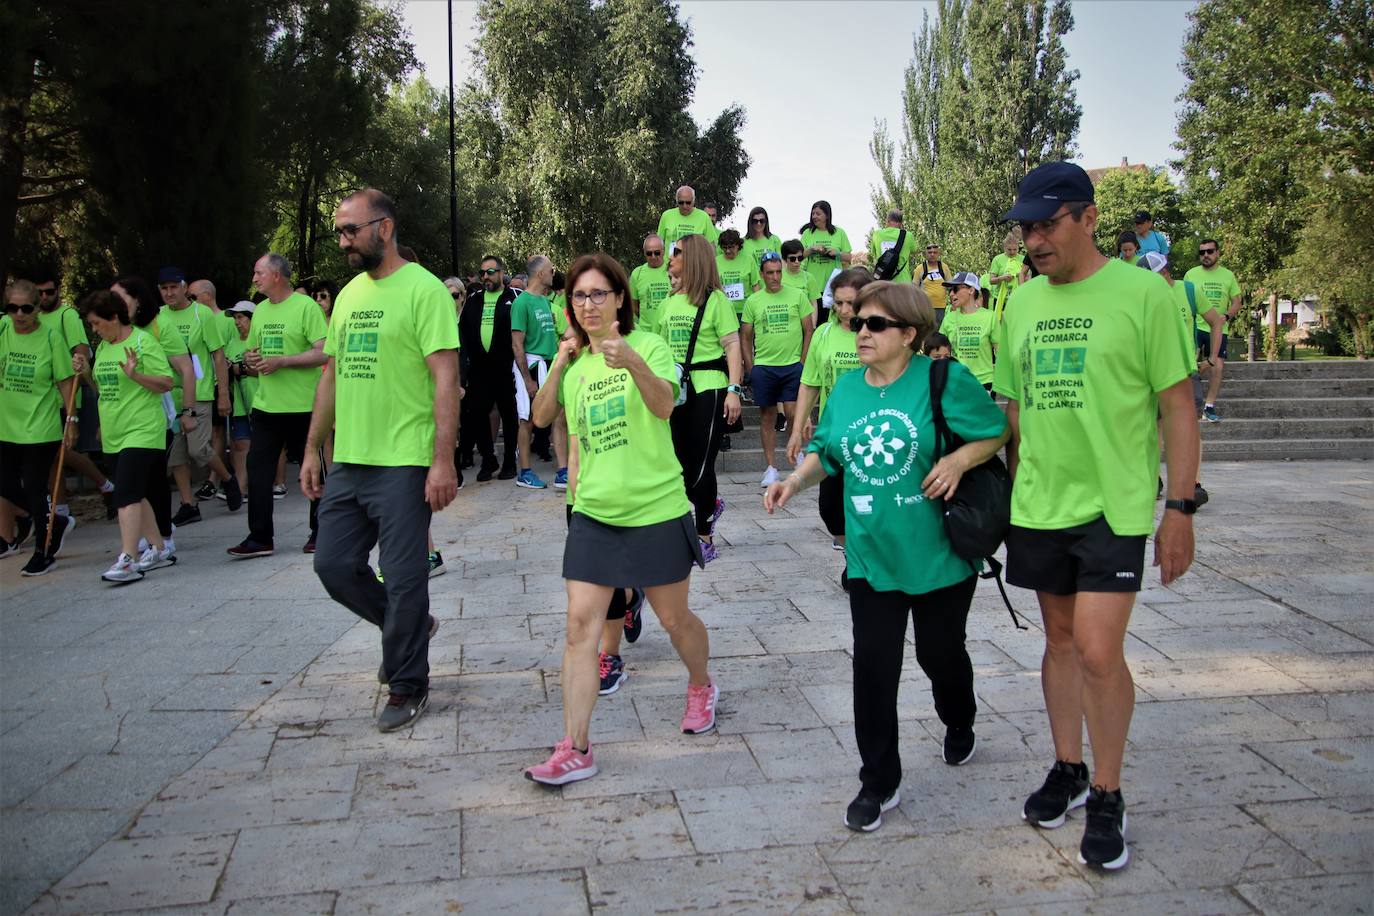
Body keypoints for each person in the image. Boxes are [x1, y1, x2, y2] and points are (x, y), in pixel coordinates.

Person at [994, 162, 1198, 871]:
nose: (1033, 241)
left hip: (1114, 503)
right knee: (1056, 641)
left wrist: (1179, 506)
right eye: (1025, 228)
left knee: (1098, 649)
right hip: (1040, 502)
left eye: (1046, 225)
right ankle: (1068, 768)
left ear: (1087, 217)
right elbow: (1015, 406)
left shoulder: (1144, 295)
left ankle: (1108, 792)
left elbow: (1178, 404)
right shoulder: (1018, 305)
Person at [765, 280, 1009, 831]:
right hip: (870, 557)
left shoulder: (943, 380)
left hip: (940, 556)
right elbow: (828, 452)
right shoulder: (848, 390)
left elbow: (995, 432)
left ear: (909, 332)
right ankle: (879, 780)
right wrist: (793, 484)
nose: (861, 332)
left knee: (939, 656)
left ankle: (959, 715)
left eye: (875, 324)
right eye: (856, 322)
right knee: (874, 668)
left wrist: (957, 462)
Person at [523, 252, 716, 785]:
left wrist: (631, 360)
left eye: (598, 294)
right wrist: (561, 362)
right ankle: (575, 746)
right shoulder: (575, 366)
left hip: (655, 507)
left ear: (620, 299)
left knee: (676, 621)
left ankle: (700, 683)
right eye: (579, 296)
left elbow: (665, 404)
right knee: (578, 627)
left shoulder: (649, 344)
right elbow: (542, 418)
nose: (588, 304)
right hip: (595, 514)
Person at [305, 188, 460, 732]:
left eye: (351, 229)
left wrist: (443, 460)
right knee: (333, 565)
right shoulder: (347, 295)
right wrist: (312, 451)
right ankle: (409, 627)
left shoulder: (424, 291)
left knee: (402, 576)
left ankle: (407, 683)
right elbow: (331, 375)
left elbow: (446, 377)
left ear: (385, 228)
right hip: (350, 458)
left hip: (404, 459)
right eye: (340, 231)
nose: (344, 240)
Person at [226, 253, 328, 558]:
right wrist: (251, 360)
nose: (254, 278)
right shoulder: (261, 312)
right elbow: (255, 358)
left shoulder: (306, 307)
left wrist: (283, 361)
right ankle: (260, 537)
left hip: (304, 405)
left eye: (259, 272)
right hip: (267, 407)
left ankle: (322, 531)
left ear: (277, 276)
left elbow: (323, 352)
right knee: (258, 470)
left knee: (313, 472)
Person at [80, 290, 178, 583]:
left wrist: (136, 376)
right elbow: (104, 389)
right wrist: (86, 372)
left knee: (125, 493)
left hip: (143, 430)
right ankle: (159, 549)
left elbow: (166, 383)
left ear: (114, 317)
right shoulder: (105, 348)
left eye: (97, 323)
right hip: (114, 432)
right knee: (135, 492)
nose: (94, 330)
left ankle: (128, 558)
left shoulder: (142, 342)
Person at [657, 235, 743, 561]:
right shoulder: (666, 303)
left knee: (702, 465)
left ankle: (704, 533)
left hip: (709, 387)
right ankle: (709, 503)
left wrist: (734, 390)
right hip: (675, 390)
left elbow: (733, 345)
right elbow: (659, 349)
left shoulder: (715, 300)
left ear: (692, 258)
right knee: (678, 464)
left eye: (676, 252)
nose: (670, 257)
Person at [788, 266, 868, 555]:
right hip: (834, 435)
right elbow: (809, 384)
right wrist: (797, 429)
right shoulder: (823, 333)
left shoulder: (879, 332)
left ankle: (860, 564)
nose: (845, 310)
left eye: (851, 303)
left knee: (867, 506)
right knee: (830, 509)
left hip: (872, 436)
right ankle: (852, 553)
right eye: (839, 302)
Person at [0, 280, 78, 575]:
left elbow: (65, 380)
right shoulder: (3, 329)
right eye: (12, 308)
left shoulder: (50, 338)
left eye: (26, 308)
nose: (18, 314)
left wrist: (71, 418)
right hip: (5, 424)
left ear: (36, 309)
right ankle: (52, 521)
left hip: (39, 425)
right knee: (5, 485)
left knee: (34, 486)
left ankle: (43, 550)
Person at [29, 269, 116, 518]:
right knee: (52, 457)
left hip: (62, 397)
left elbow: (80, 353)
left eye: (49, 291)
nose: (44, 296)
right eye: (39, 292)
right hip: (40, 398)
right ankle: (63, 509)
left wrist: (72, 401)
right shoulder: (33, 318)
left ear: (58, 290)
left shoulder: (66, 316)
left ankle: (105, 486)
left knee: (57, 451)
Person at [157, 267, 237, 525]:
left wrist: (222, 393)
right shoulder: (158, 317)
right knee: (176, 455)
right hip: (171, 394)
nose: (169, 293)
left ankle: (226, 478)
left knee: (198, 448)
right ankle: (188, 504)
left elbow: (218, 355)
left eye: (173, 287)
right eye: (164, 288)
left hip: (200, 392)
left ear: (183, 287)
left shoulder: (201, 314)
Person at [1140, 252, 1217, 507]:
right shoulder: (1144, 297)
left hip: (1184, 369)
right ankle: (1154, 479)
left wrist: (1213, 359)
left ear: (1164, 272)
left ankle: (1193, 484)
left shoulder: (1189, 291)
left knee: (1189, 427)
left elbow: (1216, 321)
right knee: (1155, 429)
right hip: (1152, 370)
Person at [742, 251, 813, 487]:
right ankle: (771, 467)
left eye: (778, 272)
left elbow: (809, 330)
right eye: (770, 273)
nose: (775, 277)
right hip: (765, 367)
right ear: (761, 275)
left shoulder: (797, 296)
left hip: (792, 365)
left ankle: (796, 454)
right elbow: (745, 336)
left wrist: (803, 362)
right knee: (767, 416)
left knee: (793, 413)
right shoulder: (754, 301)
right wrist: (751, 367)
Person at [459, 255, 519, 481]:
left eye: (490, 272)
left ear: (501, 273)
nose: (486, 276)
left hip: (505, 367)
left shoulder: (514, 297)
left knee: (509, 414)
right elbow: (462, 332)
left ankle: (510, 463)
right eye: (482, 272)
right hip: (479, 369)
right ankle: (488, 458)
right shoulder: (474, 300)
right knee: (476, 414)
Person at [510, 254, 560, 489]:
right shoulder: (522, 303)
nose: (553, 273)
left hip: (549, 365)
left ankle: (563, 470)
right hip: (532, 365)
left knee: (558, 416)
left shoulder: (546, 302)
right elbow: (517, 344)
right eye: (551, 269)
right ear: (540, 274)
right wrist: (527, 379)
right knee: (527, 420)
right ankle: (525, 472)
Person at [1184, 239, 1242, 423]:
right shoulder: (1191, 274)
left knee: (1217, 366)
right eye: (1202, 253)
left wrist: (1226, 316)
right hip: (1195, 326)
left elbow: (1237, 302)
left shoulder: (1228, 275)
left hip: (1218, 328)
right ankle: (1186, 403)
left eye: (1210, 251)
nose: (1206, 255)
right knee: (1190, 366)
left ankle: (1209, 407)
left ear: (1217, 253)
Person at [938, 273, 996, 392]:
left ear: (971, 290)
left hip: (983, 384)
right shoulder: (949, 318)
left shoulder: (989, 317)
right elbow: (939, 350)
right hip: (955, 383)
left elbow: (1001, 352)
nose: (951, 294)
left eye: (955, 289)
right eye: (950, 290)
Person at [223, 301, 257, 499]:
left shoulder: (258, 340)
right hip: (239, 405)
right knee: (240, 445)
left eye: (241, 317)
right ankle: (240, 489)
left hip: (259, 401)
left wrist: (240, 368)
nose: (237, 322)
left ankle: (274, 483)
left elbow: (263, 370)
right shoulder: (233, 343)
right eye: (235, 318)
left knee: (259, 446)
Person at [799, 200, 852, 325]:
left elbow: (848, 257)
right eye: (813, 214)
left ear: (827, 215)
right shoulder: (807, 233)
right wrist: (812, 249)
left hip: (832, 286)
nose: (814, 217)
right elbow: (799, 256)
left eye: (818, 214)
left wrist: (836, 253)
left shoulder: (839, 233)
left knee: (831, 323)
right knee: (813, 324)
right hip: (813, 286)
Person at [656, 186, 718, 256]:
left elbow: (711, 246)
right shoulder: (666, 216)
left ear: (693, 201)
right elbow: (658, 244)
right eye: (681, 202)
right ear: (676, 201)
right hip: (671, 265)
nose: (684, 206)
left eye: (688, 202)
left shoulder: (703, 217)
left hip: (695, 265)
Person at [629, 235, 672, 334]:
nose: (653, 256)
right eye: (649, 253)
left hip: (667, 330)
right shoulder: (637, 274)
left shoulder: (673, 270)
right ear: (644, 253)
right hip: (646, 332)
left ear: (663, 251)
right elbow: (635, 306)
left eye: (657, 253)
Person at [715, 229, 759, 321]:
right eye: (724, 247)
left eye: (731, 247)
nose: (727, 251)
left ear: (738, 246)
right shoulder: (716, 261)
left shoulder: (748, 260)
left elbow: (755, 285)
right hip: (724, 310)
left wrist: (758, 307)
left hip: (745, 310)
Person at [868, 208, 918, 284]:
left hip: (883, 282)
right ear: (901, 223)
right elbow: (914, 251)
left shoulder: (877, 234)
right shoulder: (908, 235)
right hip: (903, 282)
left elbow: (874, 254)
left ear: (887, 221)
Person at [987, 230, 1024, 324]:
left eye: (1015, 249)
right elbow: (991, 281)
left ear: (1018, 248)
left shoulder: (1022, 259)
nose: (1012, 252)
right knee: (1000, 324)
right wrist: (1002, 278)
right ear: (1004, 248)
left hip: (1017, 298)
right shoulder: (997, 259)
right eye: (1009, 250)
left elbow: (1028, 278)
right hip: (1000, 298)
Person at [917, 244, 952, 324]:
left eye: (935, 252)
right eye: (929, 252)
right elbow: (914, 287)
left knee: (940, 332)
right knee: (927, 331)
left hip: (941, 307)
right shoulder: (920, 268)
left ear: (938, 254)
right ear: (926, 253)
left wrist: (954, 303)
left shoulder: (944, 267)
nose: (932, 254)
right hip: (925, 308)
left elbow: (951, 286)